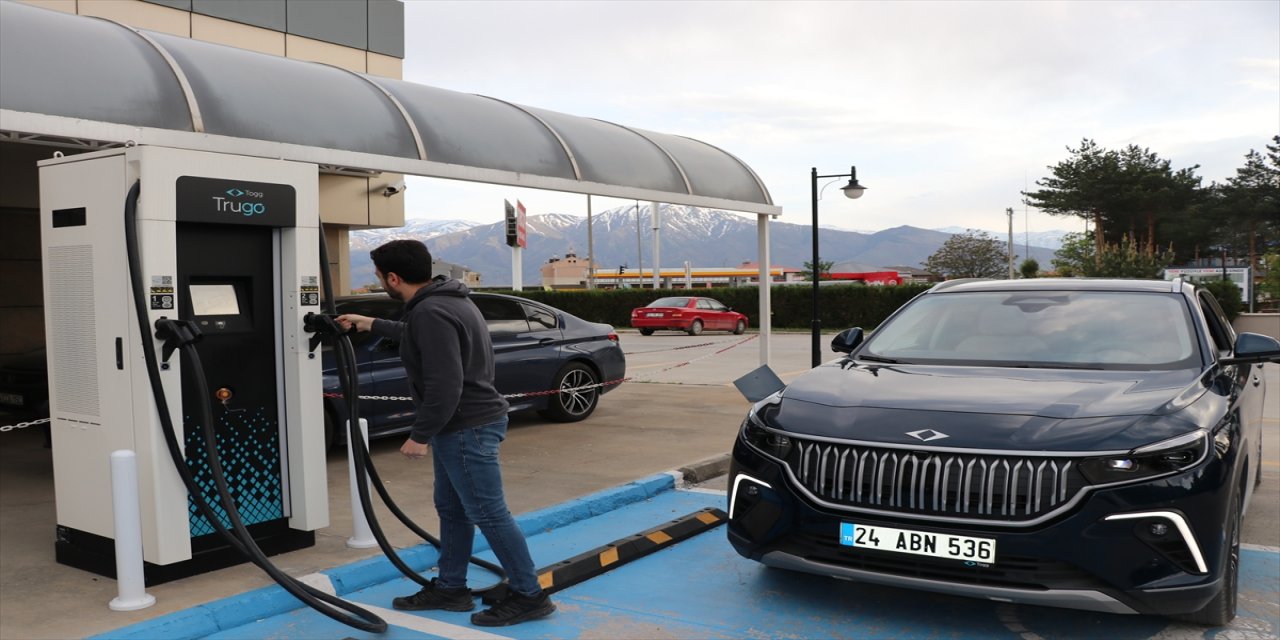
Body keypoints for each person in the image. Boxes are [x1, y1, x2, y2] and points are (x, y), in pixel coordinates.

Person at [337, 239, 555, 627]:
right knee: (453, 510)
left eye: (378, 277)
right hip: (468, 423)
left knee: (489, 514)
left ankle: (529, 595)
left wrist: (419, 435)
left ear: (393, 277)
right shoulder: (450, 300)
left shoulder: (431, 312)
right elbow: (421, 335)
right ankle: (451, 588)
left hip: (465, 427)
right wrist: (370, 322)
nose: (379, 283)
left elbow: (445, 384)